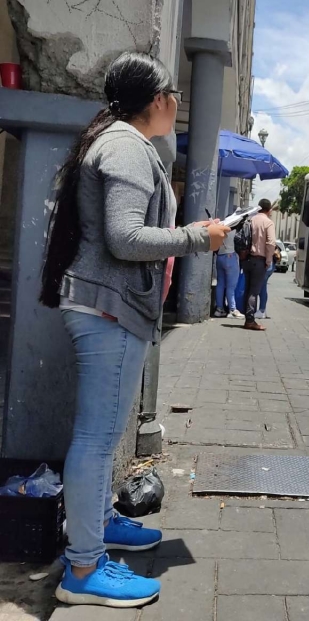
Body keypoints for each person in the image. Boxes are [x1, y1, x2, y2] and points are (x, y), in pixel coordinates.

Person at [39, 51, 230, 608]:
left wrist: (190, 230)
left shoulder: (121, 141)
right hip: (108, 309)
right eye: (173, 94)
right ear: (158, 100)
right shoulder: (125, 145)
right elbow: (124, 238)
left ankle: (100, 527)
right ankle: (83, 570)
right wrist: (198, 239)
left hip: (109, 306)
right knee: (97, 440)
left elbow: (125, 231)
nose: (177, 103)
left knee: (99, 434)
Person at [243, 198, 276, 330]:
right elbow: (271, 243)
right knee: (254, 291)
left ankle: (247, 317)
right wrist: (268, 260)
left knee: (247, 289)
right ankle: (250, 321)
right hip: (259, 260)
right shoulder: (268, 223)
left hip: (246, 259)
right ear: (269, 210)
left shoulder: (250, 220)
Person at [213, 229, 243, 319]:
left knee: (220, 284)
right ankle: (233, 310)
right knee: (231, 286)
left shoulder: (220, 230)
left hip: (220, 256)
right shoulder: (234, 231)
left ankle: (219, 309)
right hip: (230, 256)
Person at [256, 243, 280, 319]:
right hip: (270, 263)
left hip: (267, 263)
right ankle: (263, 310)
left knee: (261, 288)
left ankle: (262, 310)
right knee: (263, 287)